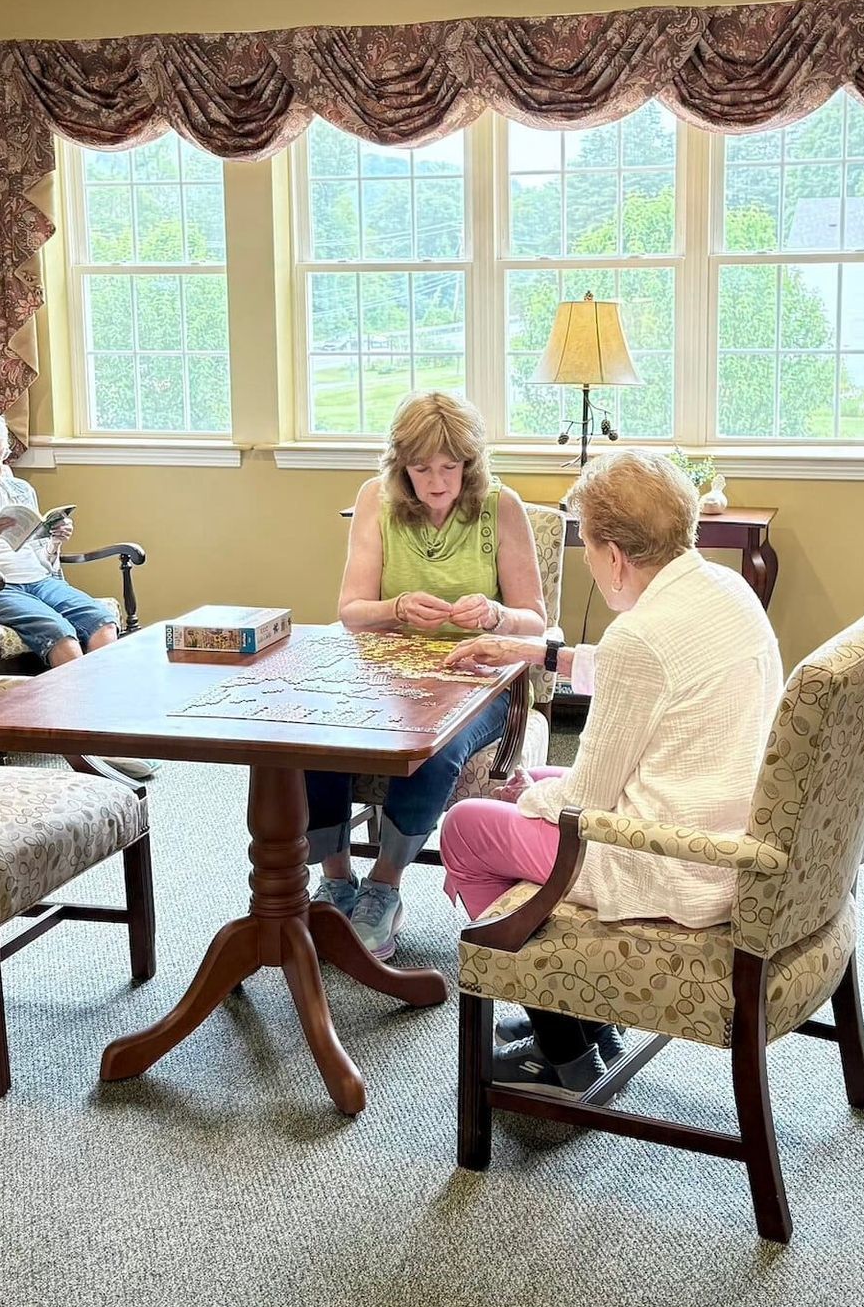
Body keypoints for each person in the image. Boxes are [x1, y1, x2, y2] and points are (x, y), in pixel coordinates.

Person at [438, 449, 782, 1097]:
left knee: (465, 827)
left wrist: (530, 794)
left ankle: (565, 1045)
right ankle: (579, 1012)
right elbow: (652, 676)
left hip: (671, 863)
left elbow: (586, 802)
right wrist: (538, 653)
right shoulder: (725, 589)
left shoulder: (639, 638)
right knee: (528, 788)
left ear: (616, 556)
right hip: (730, 838)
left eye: (590, 553)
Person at [308, 393, 548, 960]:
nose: (437, 483)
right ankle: (336, 879)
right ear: (401, 467)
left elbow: (536, 620)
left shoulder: (502, 507)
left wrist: (495, 615)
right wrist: (395, 609)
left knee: (432, 748)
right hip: (387, 674)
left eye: (449, 467)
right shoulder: (375, 499)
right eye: (421, 469)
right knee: (316, 736)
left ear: (470, 463)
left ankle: (384, 886)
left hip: (482, 676)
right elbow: (351, 612)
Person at [0, 406, 152, 780]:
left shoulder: (18, 490)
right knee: (59, 633)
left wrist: (54, 541)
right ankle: (87, 746)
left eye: (1, 454)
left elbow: (39, 557)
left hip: (37, 579)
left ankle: (109, 728)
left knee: (101, 621)